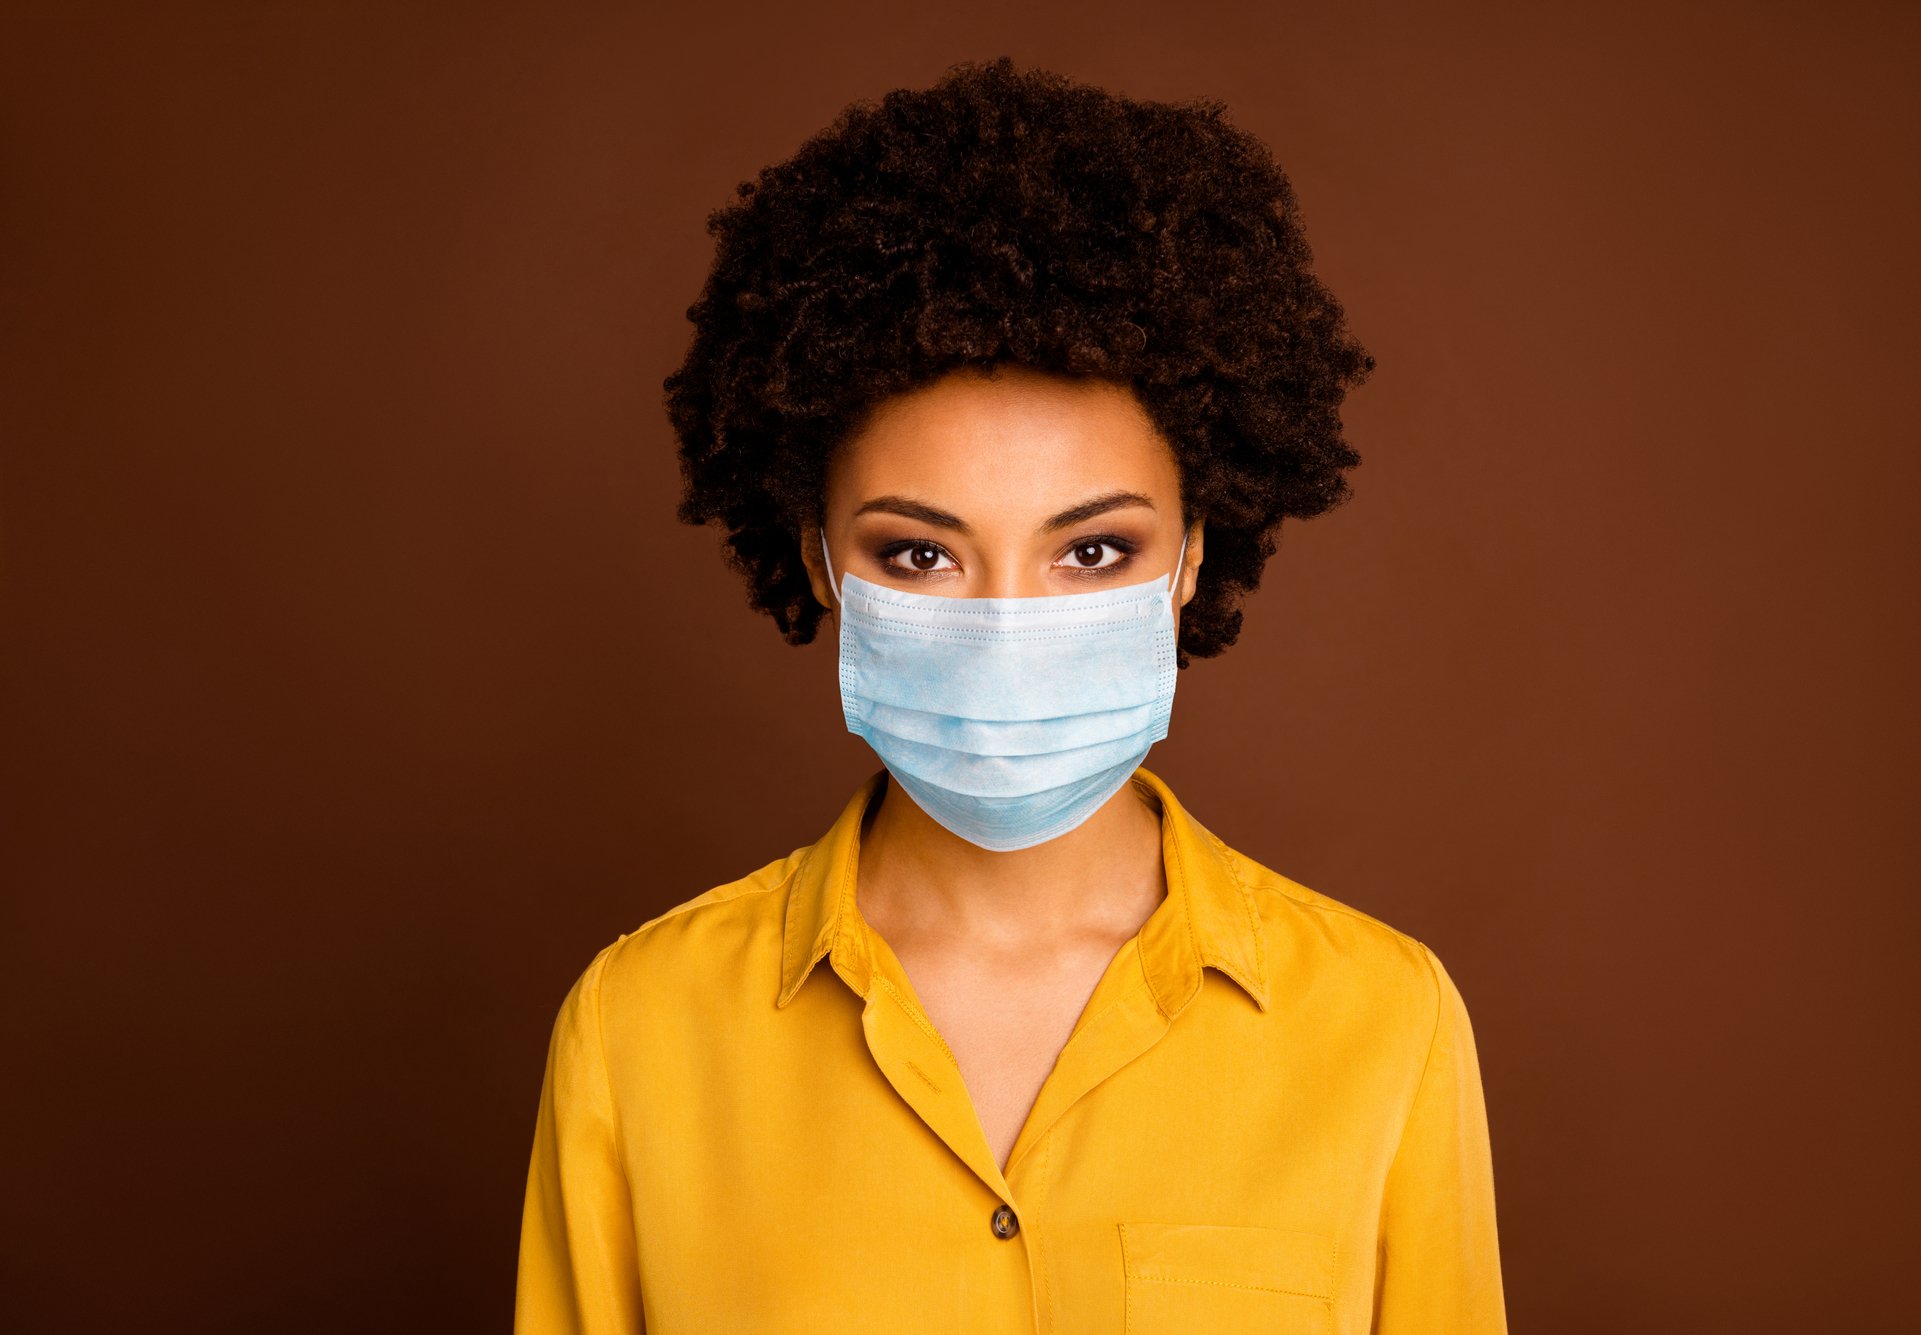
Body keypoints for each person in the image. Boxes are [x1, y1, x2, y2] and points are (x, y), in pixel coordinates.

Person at [514, 55, 1506, 1334]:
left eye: (1090, 550)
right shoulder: (640, 1030)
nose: (1004, 629)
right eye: (917, 555)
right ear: (817, 558)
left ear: (1190, 555)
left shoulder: (1381, 1023)